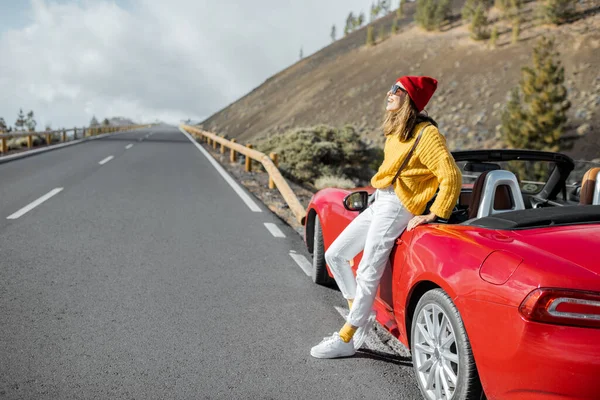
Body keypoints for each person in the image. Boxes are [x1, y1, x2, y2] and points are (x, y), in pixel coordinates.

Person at [310, 75, 462, 359]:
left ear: (409, 98)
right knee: (335, 255)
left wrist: (434, 213)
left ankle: (347, 336)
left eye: (396, 89)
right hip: (381, 200)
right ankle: (362, 314)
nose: (389, 93)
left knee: (367, 269)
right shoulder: (396, 132)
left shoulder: (426, 135)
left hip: (398, 206)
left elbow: (451, 174)